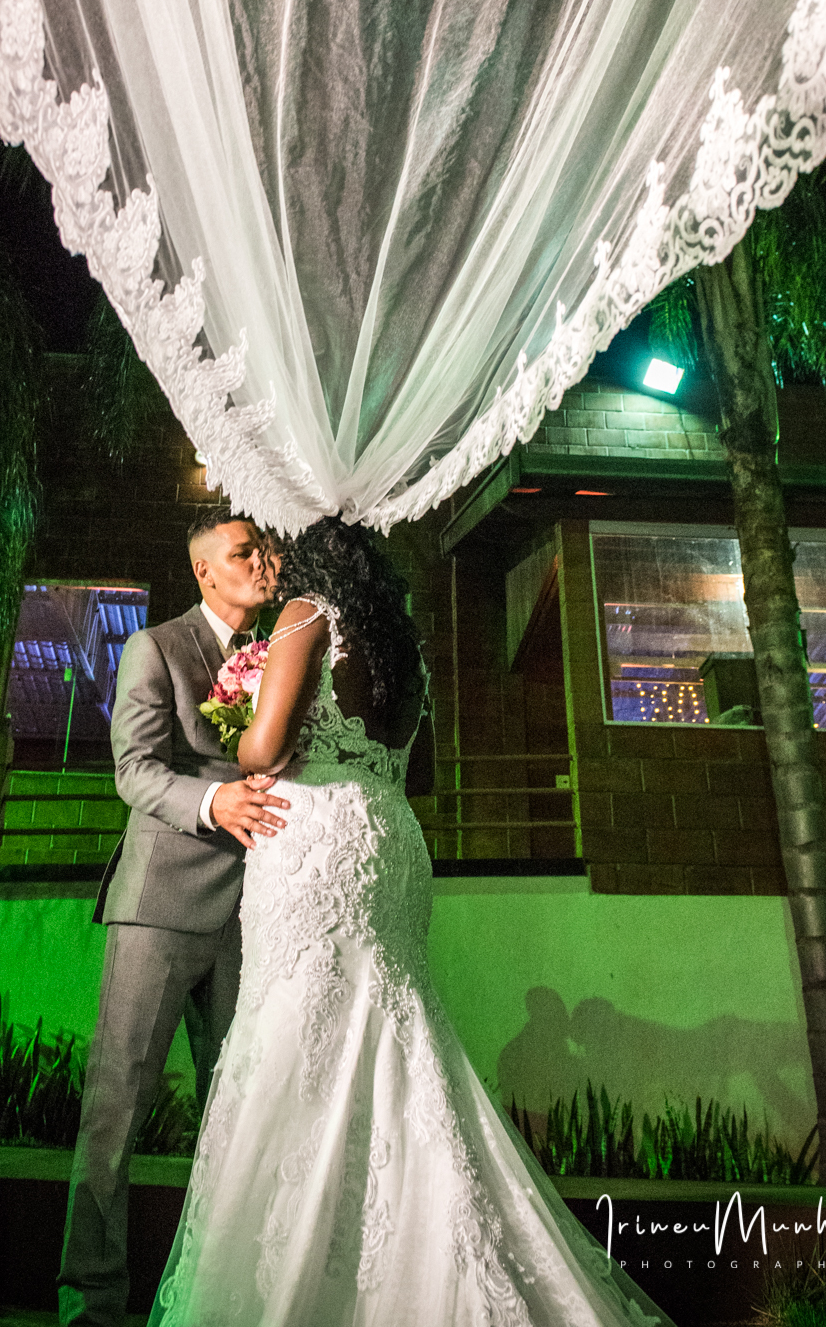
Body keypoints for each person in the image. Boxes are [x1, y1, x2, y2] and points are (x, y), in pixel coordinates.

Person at [148, 516, 671, 1327]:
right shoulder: (404, 645)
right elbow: (410, 767)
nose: (274, 563)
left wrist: (246, 716)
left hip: (314, 842)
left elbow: (265, 752)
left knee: (297, 1037)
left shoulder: (305, 619)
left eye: (282, 551)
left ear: (313, 560)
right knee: (398, 1029)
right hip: (390, 838)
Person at [59, 508, 291, 1327]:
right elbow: (134, 770)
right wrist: (214, 798)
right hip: (160, 905)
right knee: (117, 1102)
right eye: (244, 552)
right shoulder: (155, 648)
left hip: (257, 915)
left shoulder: (289, 653)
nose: (263, 561)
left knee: (238, 1112)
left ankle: (217, 1296)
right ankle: (91, 1300)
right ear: (205, 572)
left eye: (265, 549)